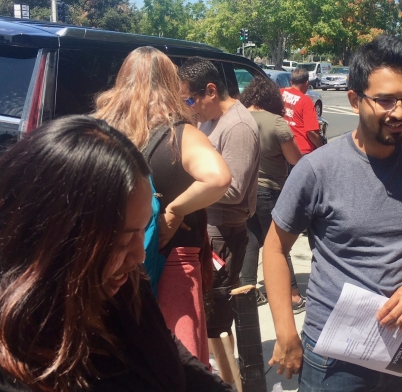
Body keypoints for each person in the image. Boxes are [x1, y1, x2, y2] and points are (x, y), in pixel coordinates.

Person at [0, 116, 244, 392]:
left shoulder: (117, 288)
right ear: (50, 242)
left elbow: (164, 355)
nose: (139, 255)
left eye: (143, 229)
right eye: (121, 241)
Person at [264, 34, 402, 392]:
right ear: (355, 100)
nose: (399, 112)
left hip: (398, 351)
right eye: (385, 100)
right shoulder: (318, 169)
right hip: (332, 358)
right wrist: (285, 332)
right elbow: (274, 248)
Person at [93, 47, 231, 368]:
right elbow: (218, 178)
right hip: (171, 267)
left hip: (110, 264)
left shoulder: (98, 128)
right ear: (172, 84)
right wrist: (175, 210)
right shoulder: (180, 135)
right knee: (175, 369)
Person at [178, 57, 260, 340]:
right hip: (209, 227)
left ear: (211, 91)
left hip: (223, 233)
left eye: (190, 101)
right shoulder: (210, 120)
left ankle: (222, 364)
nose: (189, 108)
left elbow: (234, 189)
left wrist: (186, 191)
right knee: (205, 308)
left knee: (217, 313)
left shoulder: (238, 126)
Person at [238, 76, 305, 311]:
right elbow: (295, 159)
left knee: (251, 240)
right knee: (279, 244)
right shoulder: (276, 123)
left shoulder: (237, 117)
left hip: (243, 191)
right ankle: (292, 296)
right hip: (270, 191)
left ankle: (247, 293)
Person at [280, 68, 323, 154]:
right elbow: (311, 132)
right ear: (307, 83)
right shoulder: (306, 101)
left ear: (291, 82)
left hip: (283, 147)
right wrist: (321, 147)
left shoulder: (280, 93)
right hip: (302, 150)